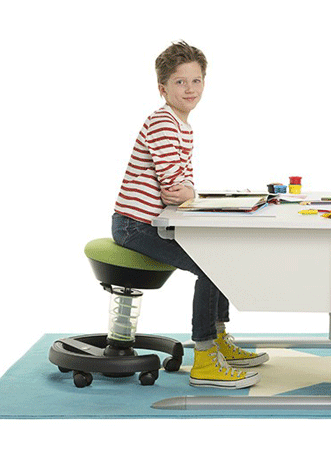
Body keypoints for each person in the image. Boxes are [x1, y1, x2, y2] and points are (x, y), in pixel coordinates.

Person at [111, 41, 268, 388]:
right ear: (162, 88)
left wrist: (189, 192)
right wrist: (188, 191)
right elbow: (173, 186)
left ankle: (219, 339)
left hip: (153, 223)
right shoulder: (163, 123)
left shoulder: (182, 126)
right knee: (211, 264)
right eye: (180, 82)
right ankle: (206, 357)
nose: (190, 89)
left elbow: (185, 183)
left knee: (219, 254)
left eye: (196, 81)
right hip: (134, 226)